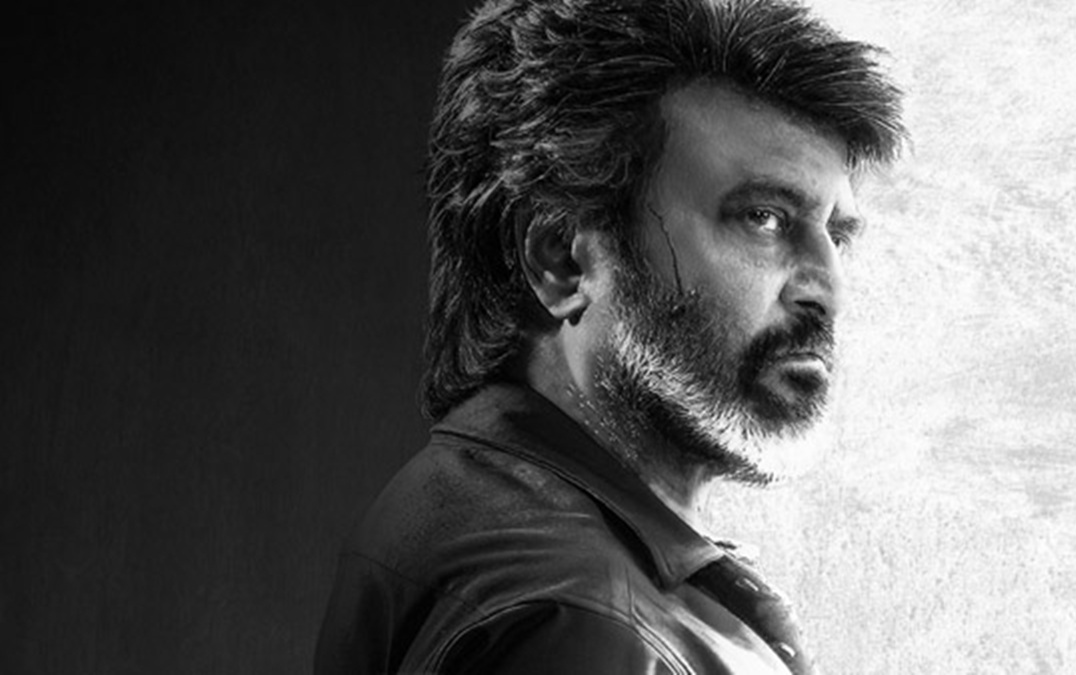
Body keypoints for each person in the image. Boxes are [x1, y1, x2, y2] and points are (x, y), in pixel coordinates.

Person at [316, 0, 904, 672]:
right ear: (563, 259)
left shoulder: (458, 497)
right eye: (763, 218)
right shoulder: (588, 624)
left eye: (837, 235)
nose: (827, 288)